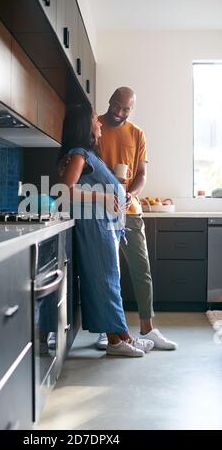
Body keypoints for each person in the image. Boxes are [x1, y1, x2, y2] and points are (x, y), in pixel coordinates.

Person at [58, 103, 154, 357]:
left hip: (105, 229)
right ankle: (114, 341)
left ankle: (124, 336)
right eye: (94, 119)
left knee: (110, 283)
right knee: (105, 283)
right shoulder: (79, 153)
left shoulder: (89, 154)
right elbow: (63, 191)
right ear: (85, 125)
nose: (99, 123)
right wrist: (101, 198)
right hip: (95, 230)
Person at [96, 87, 178, 350]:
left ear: (132, 109)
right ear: (110, 101)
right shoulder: (94, 127)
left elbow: (141, 173)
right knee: (107, 273)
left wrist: (130, 194)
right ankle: (106, 329)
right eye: (116, 106)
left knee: (142, 270)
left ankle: (148, 328)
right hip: (99, 210)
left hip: (129, 212)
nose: (119, 112)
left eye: (126, 109)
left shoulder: (137, 134)